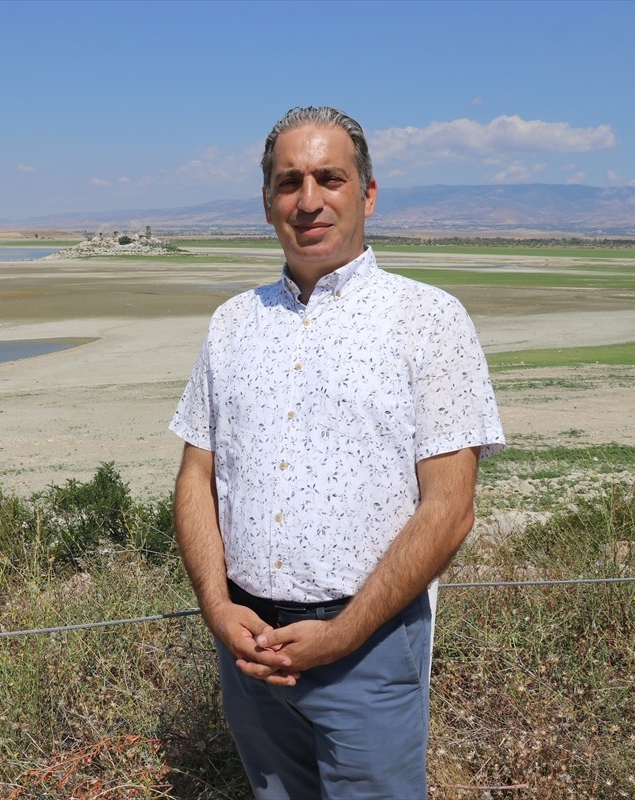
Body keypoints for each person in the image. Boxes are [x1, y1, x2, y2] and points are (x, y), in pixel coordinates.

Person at [169, 106, 505, 799]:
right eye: (289, 182)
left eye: (331, 178)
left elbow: (451, 507)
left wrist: (344, 633)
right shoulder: (233, 323)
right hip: (249, 648)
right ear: (267, 204)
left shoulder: (429, 319)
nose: (309, 199)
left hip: (371, 650)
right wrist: (217, 608)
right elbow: (196, 476)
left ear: (368, 194)